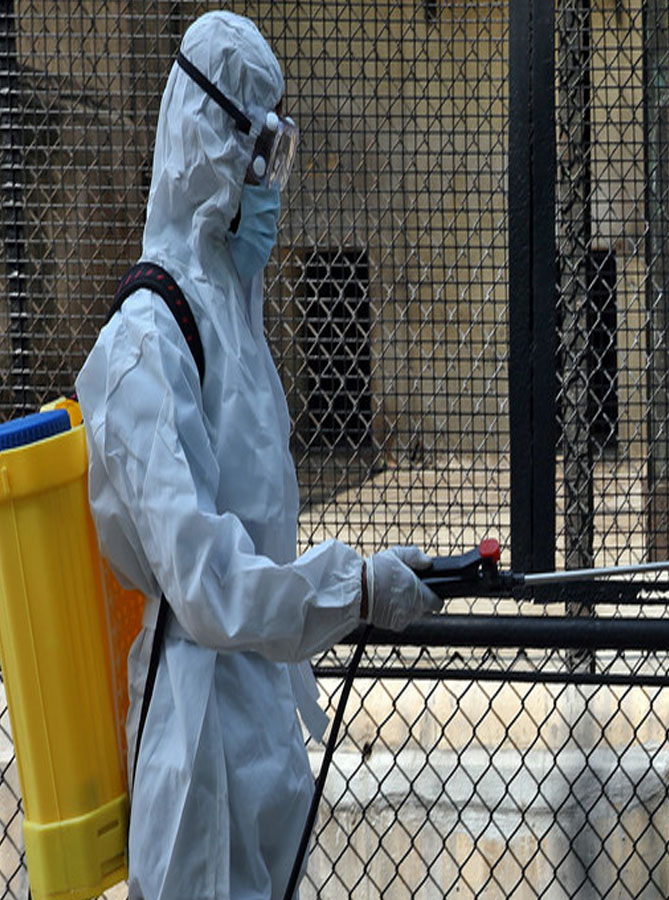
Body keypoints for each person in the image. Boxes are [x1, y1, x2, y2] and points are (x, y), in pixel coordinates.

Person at [75, 11, 440, 899]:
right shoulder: (143, 348)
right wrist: (350, 588)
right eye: (262, 150)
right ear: (207, 143)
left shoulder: (235, 327)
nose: (270, 185)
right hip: (199, 759)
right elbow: (205, 582)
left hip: (265, 726)